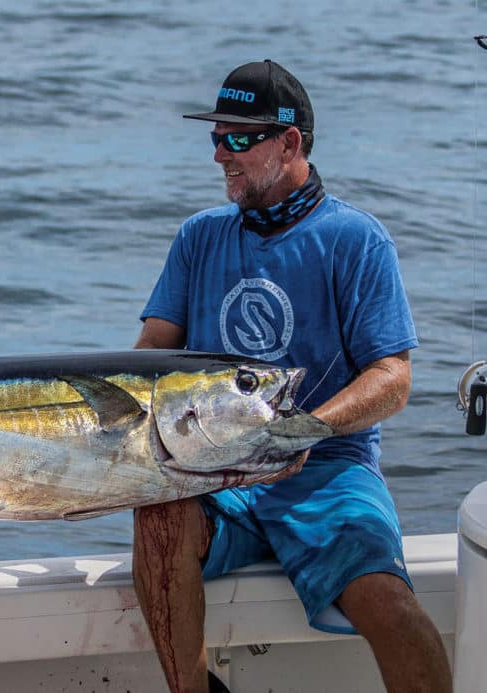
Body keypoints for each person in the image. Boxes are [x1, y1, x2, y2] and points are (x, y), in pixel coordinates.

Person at [132, 61, 451, 692]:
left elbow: (393, 376)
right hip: (218, 470)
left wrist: (305, 430)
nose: (222, 154)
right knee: (157, 517)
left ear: (291, 142)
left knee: (393, 608)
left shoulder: (357, 240)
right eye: (216, 138)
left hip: (329, 470)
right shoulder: (199, 237)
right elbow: (150, 355)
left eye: (240, 140)